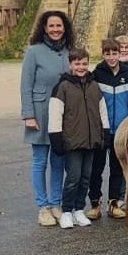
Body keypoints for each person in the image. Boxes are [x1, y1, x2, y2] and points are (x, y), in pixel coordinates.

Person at [20, 10, 75, 226]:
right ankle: (43, 207)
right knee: (40, 161)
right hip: (40, 112)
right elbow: (25, 85)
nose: (55, 29)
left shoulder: (70, 51)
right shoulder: (34, 52)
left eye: (59, 26)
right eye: (51, 26)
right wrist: (28, 115)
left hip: (64, 114)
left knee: (59, 160)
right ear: (44, 28)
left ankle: (56, 204)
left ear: (64, 28)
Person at [48, 48, 109, 229]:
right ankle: (67, 211)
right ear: (70, 65)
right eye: (77, 64)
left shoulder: (94, 86)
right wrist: (56, 138)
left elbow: (102, 111)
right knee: (73, 177)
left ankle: (79, 209)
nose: (81, 67)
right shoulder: (63, 87)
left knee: (85, 177)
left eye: (84, 63)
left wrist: (104, 133)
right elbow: (55, 113)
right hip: (72, 141)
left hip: (91, 141)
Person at [88, 38, 128, 220]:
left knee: (118, 168)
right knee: (97, 168)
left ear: (119, 53)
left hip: (122, 130)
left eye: (114, 53)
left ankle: (114, 202)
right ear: (103, 54)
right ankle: (94, 203)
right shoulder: (97, 74)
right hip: (102, 129)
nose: (111, 57)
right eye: (107, 53)